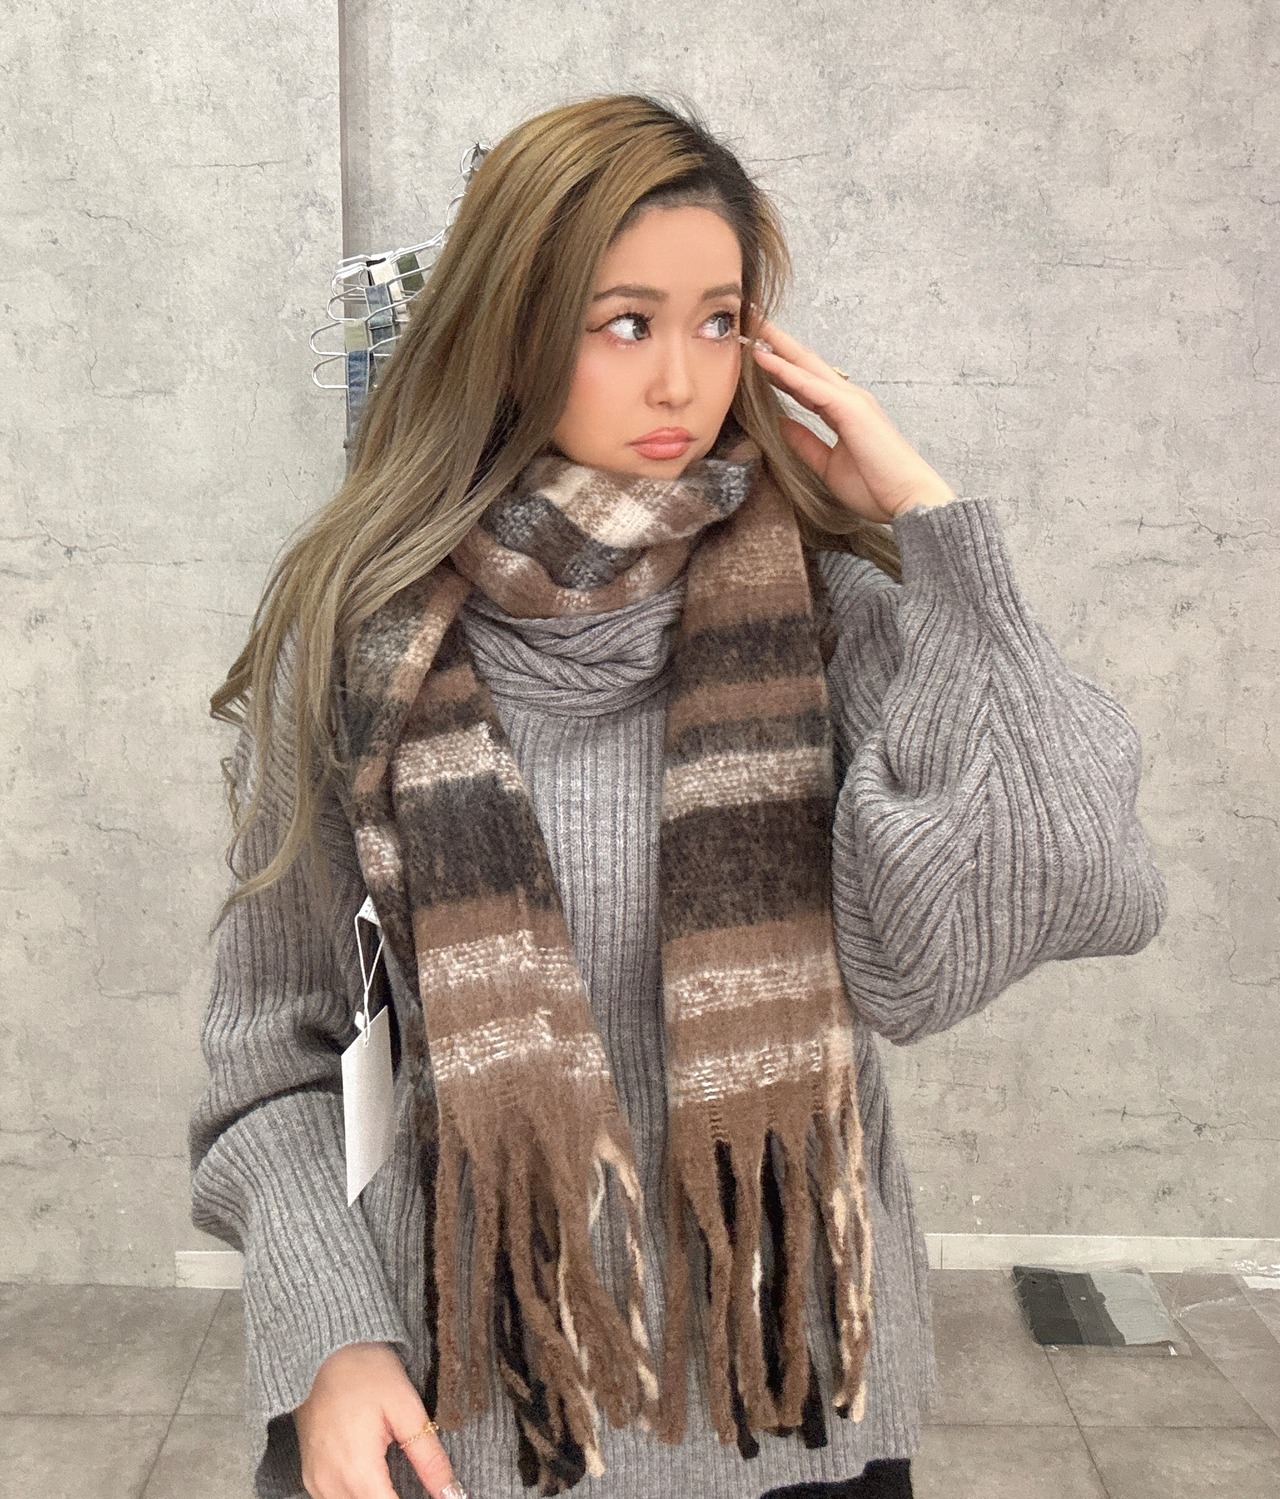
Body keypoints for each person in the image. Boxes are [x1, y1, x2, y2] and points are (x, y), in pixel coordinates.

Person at [188, 91, 1168, 1499]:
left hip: (792, 1405)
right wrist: (330, 1341)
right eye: (624, 322)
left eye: (719, 323)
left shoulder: (832, 616)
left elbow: (1065, 877)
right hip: (471, 1410)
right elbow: (272, 1051)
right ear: (511, 330)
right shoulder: (359, 647)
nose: (680, 383)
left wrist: (931, 529)